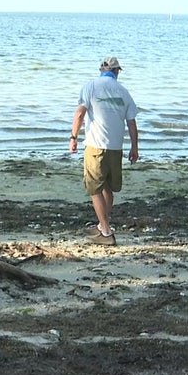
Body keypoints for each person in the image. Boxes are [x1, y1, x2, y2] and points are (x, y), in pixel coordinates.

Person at [70, 56, 139, 245]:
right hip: (115, 147)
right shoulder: (124, 92)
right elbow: (132, 123)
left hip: (95, 145)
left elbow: (80, 113)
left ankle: (106, 232)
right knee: (108, 189)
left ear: (101, 70)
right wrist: (134, 147)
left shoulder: (90, 86)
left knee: (94, 189)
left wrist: (73, 137)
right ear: (116, 71)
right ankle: (102, 225)